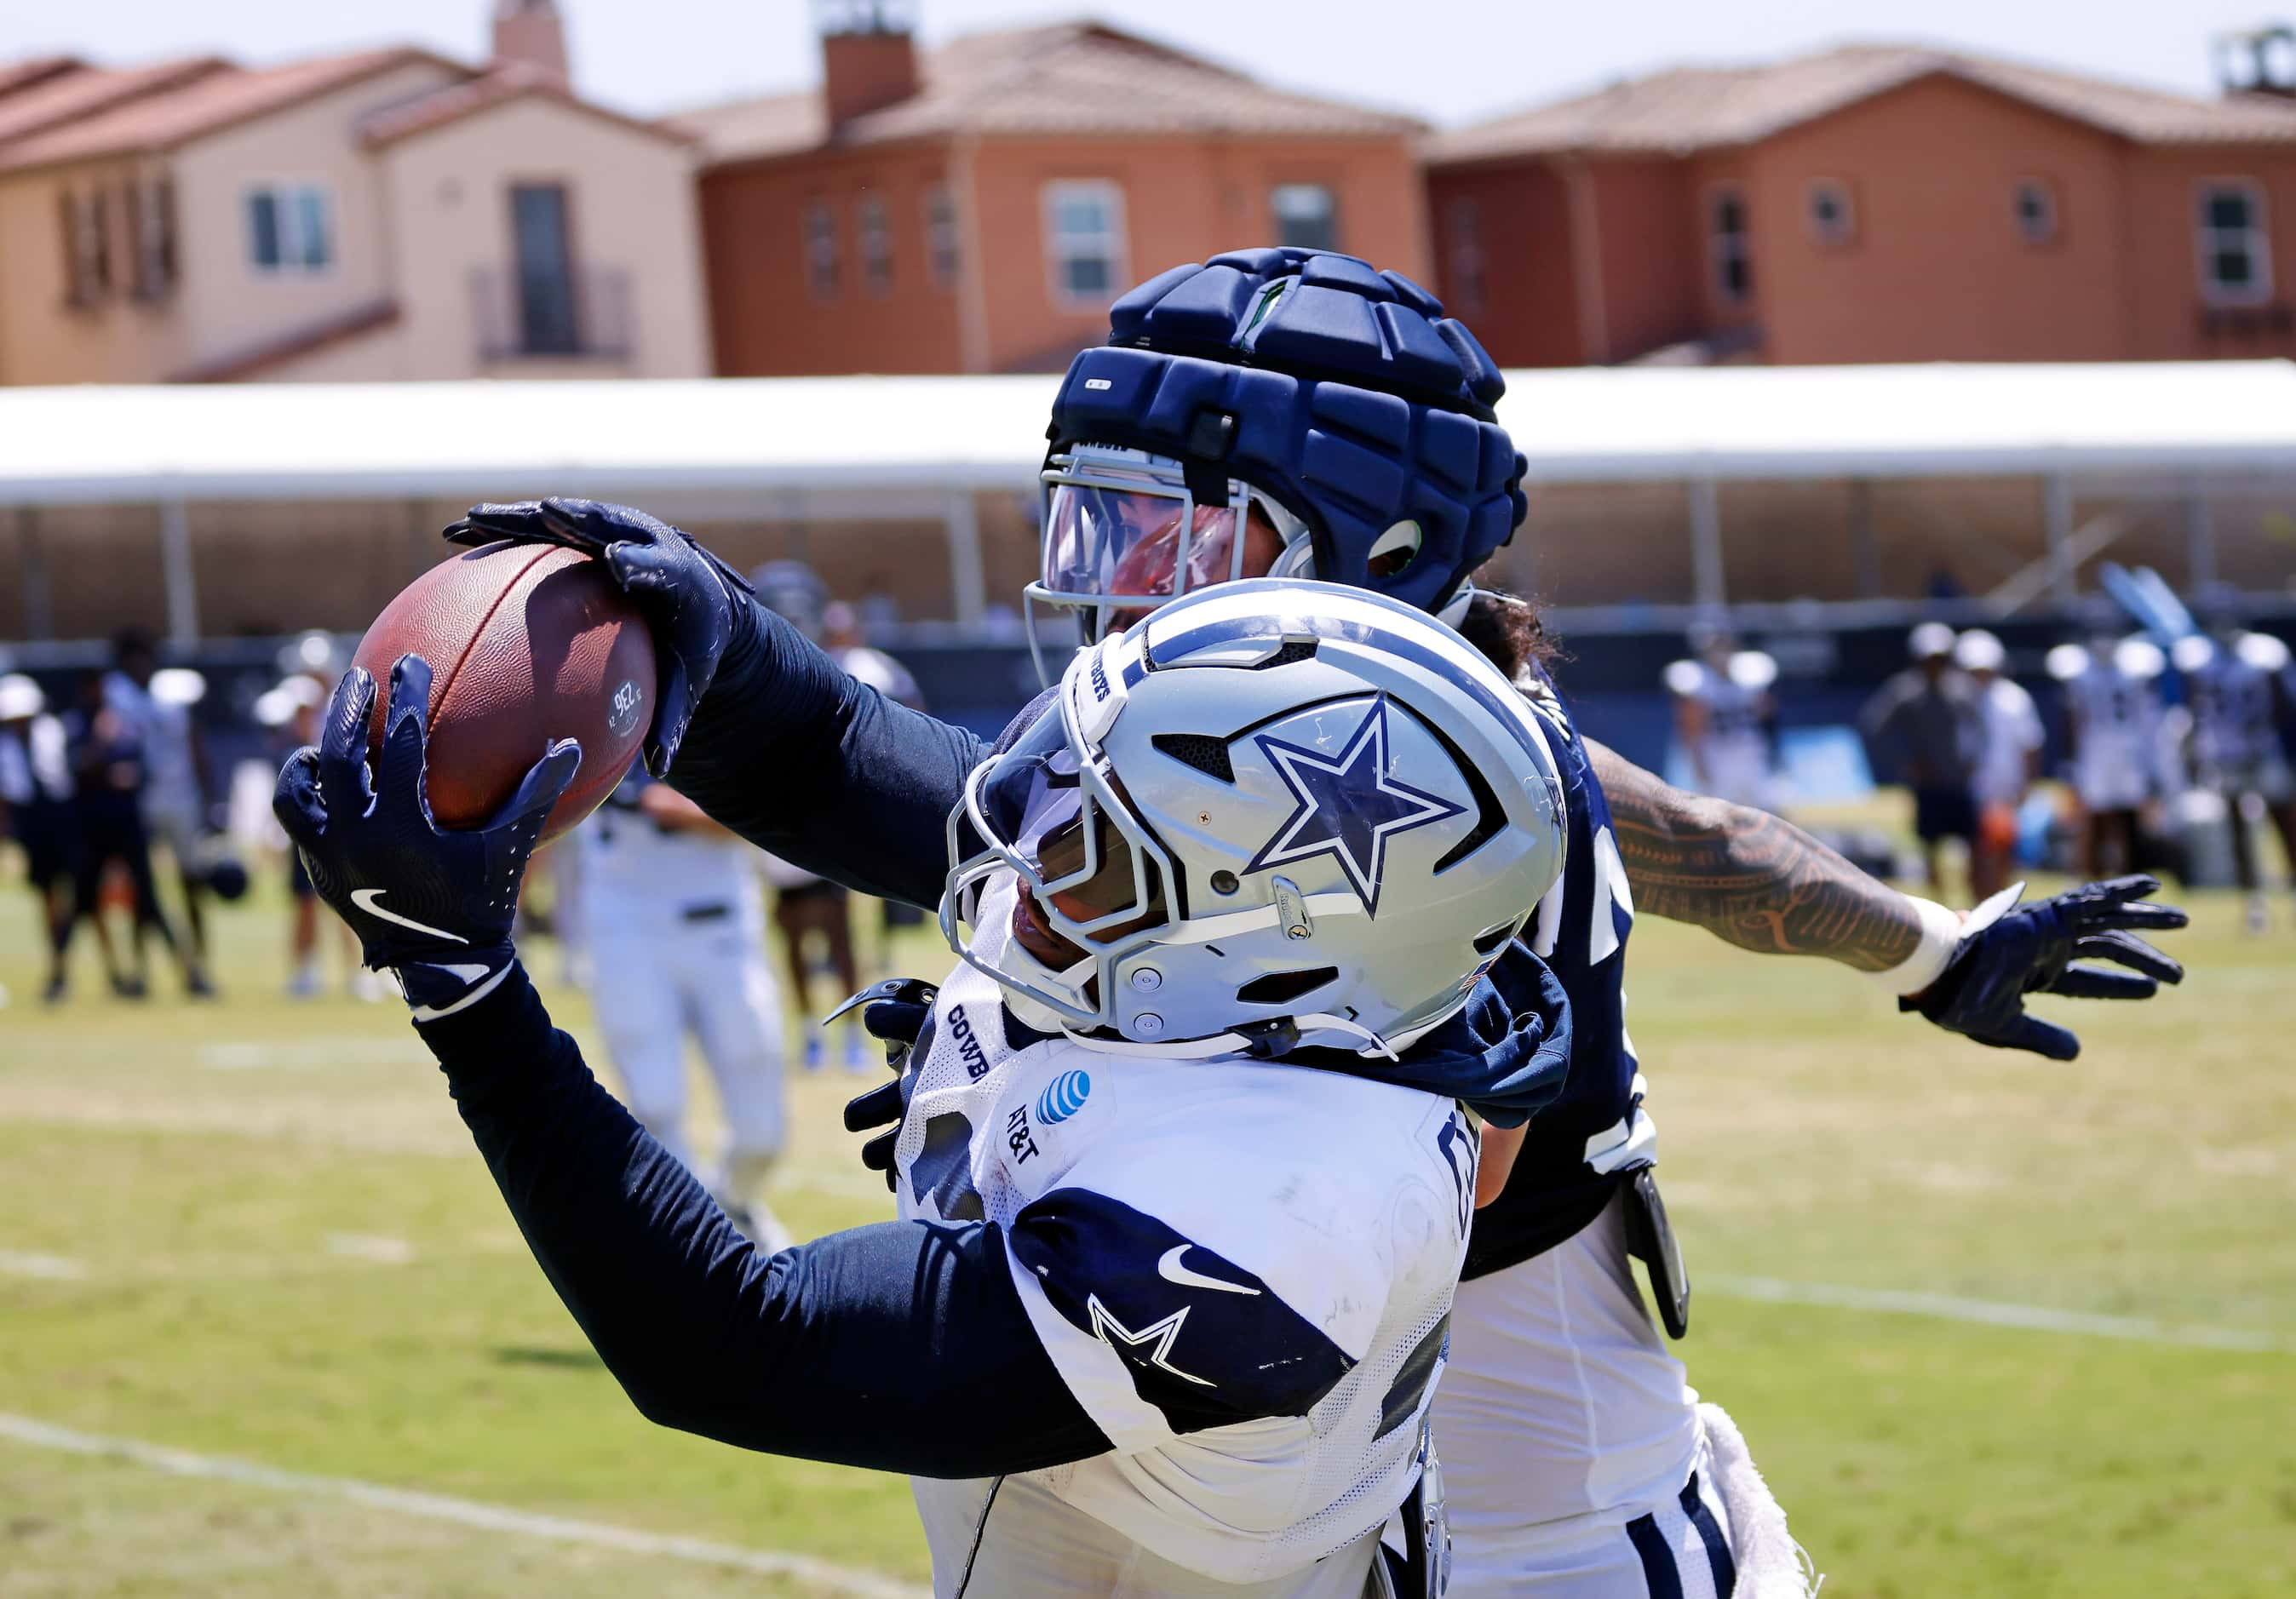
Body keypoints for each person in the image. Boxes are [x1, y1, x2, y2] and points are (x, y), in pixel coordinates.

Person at [451, 247, 2186, 1596]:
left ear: (1365, 554)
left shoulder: (1399, 835)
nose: (1113, 582)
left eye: (1172, 534)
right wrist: (1936, 949)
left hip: (1543, 1533)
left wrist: (996, 1100)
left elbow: (941, 848)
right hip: (1359, 1520)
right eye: (1098, 518)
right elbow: (1708, 842)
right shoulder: (1437, 773)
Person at [275, 582, 1575, 1597]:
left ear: (1268, 933)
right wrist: (711, 628)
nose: (1030, 849)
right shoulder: (1347, 996)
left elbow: (731, 1345)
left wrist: (465, 994)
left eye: (1098, 838)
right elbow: (854, 756)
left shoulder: (1282, 1215)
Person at [577, 770, 794, 1249]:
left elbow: (775, 815)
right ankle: (693, 1242)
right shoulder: (597, 699)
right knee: (655, 1103)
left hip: (723, 917)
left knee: (763, 1128)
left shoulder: (733, 701)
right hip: (625, 918)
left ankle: (734, 1202)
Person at [103, 632, 217, 994]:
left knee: (191, 884)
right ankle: (141, 970)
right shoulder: (118, 698)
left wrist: (209, 800)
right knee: (141, 888)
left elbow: (196, 746)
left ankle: (199, 966)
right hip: (146, 799)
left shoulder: (173, 695)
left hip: (181, 798)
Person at [2174, 625, 2296, 931]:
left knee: (2283, 822)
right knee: (2240, 831)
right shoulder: (2202, 660)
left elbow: (2279, 705)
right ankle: (2253, 903)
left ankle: (2270, 897)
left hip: (2256, 749)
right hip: (2227, 752)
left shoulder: (2259, 657)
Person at [1860, 622, 1983, 900]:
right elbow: (1875, 727)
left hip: (1958, 782)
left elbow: (1979, 728)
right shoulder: (1904, 691)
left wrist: (1972, 761)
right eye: (1930, 658)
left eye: (1940, 658)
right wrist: (1905, 762)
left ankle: (1974, 902)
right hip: (1928, 784)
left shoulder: (1962, 689)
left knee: (1973, 845)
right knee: (1930, 847)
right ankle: (1940, 904)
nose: (1935, 665)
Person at [2049, 632, 2171, 880]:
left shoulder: (2126, 670)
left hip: (2112, 754)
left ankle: (2117, 884)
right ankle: (2098, 886)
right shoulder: (2084, 672)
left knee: (2120, 823)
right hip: (2113, 753)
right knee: (2100, 823)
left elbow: (2074, 721)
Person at [0, 673, 85, 1003]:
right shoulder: (5, 747)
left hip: (63, 818)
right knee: (48, 897)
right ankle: (58, 968)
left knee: (81, 897)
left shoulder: (54, 732)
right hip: (32, 822)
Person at [1954, 630, 2044, 901]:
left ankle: (2000, 906)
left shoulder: (2014, 699)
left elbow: (2030, 744)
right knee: (1974, 852)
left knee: (2003, 848)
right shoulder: (1957, 699)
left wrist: (2027, 783)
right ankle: (1977, 908)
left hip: (2004, 786)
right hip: (1969, 789)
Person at [1663, 631, 1781, 811]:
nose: (1721, 655)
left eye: (1726, 648)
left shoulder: (1748, 677)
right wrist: (1698, 763)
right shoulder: (1699, 683)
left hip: (1749, 750)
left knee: (1762, 810)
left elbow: (1766, 714)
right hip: (1717, 754)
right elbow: (1690, 727)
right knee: (1719, 812)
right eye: (1716, 649)